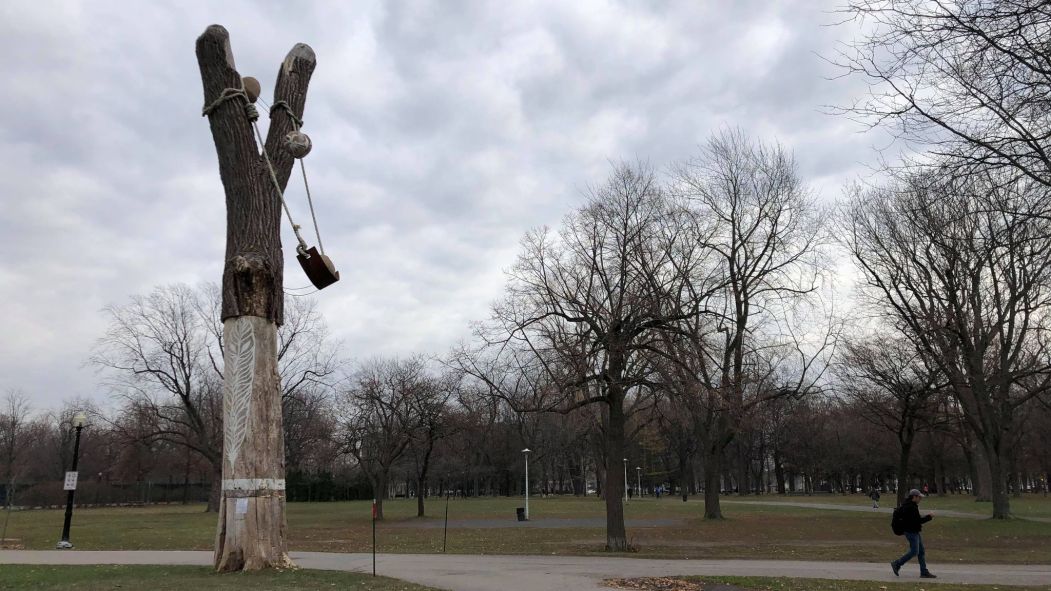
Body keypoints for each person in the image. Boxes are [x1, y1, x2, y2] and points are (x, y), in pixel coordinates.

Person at [891, 488, 936, 579]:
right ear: (914, 497)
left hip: (914, 531)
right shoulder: (910, 507)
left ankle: (924, 572)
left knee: (921, 551)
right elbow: (918, 521)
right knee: (915, 551)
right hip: (911, 532)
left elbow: (915, 521)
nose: (920, 499)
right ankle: (897, 563)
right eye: (919, 497)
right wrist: (929, 517)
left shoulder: (910, 505)